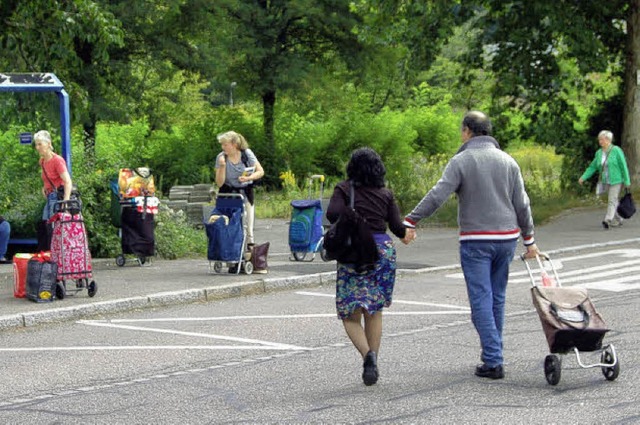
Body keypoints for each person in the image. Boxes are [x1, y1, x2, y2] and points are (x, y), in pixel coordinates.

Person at [403, 111, 540, 380]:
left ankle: (493, 359)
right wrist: (530, 240)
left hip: (476, 240)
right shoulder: (509, 162)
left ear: (467, 131)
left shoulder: (461, 161)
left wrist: (411, 219)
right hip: (506, 240)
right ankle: (493, 353)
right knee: (496, 297)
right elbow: (522, 204)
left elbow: (438, 194)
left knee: (480, 299)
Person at [326, 147, 410, 386]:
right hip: (381, 253)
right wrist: (407, 233)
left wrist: (352, 216)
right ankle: (374, 361)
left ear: (352, 167)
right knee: (374, 310)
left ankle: (367, 356)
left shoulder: (344, 189)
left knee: (350, 314)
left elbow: (332, 214)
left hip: (353, 252)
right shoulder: (386, 194)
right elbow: (396, 226)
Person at [214, 131, 264, 249]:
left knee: (248, 224)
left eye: (225, 144)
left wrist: (249, 178)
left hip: (246, 192)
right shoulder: (221, 157)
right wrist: (222, 166)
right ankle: (232, 249)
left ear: (234, 144)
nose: (223, 147)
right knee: (231, 223)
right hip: (229, 194)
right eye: (222, 145)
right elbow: (219, 183)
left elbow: (260, 171)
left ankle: (250, 248)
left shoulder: (247, 153)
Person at [578, 130, 631, 229]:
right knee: (613, 200)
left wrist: (627, 181)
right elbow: (592, 167)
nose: (600, 141)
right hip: (605, 180)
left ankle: (608, 220)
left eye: (602, 139)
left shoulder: (616, 150)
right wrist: (583, 177)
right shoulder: (599, 153)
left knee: (612, 200)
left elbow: (623, 166)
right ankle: (619, 218)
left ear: (608, 140)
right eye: (599, 139)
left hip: (616, 180)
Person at [34, 130, 73, 250]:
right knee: (45, 226)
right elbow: (47, 179)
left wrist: (65, 204)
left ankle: (55, 255)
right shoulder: (42, 161)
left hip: (57, 198)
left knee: (53, 228)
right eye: (36, 144)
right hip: (49, 197)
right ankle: (48, 254)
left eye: (40, 144)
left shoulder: (57, 160)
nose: (38, 147)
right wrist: (44, 188)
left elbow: (67, 181)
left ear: (48, 143)